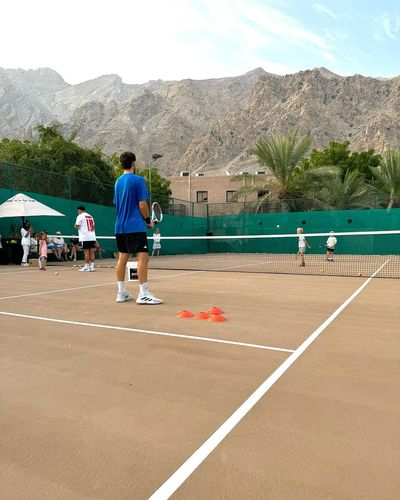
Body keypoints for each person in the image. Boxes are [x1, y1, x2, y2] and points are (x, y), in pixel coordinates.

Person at [113, 151, 163, 304]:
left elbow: (117, 204)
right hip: (135, 226)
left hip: (119, 227)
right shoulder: (139, 180)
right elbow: (142, 204)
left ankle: (121, 293)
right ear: (134, 163)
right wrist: (148, 220)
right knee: (143, 258)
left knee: (122, 258)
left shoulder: (118, 182)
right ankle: (143, 294)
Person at [74, 206, 96, 272]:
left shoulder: (80, 216)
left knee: (86, 252)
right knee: (92, 252)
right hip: (92, 236)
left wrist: (75, 226)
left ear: (79, 210)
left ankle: (86, 266)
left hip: (85, 237)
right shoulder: (90, 216)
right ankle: (92, 267)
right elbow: (93, 226)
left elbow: (77, 225)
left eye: (78, 211)